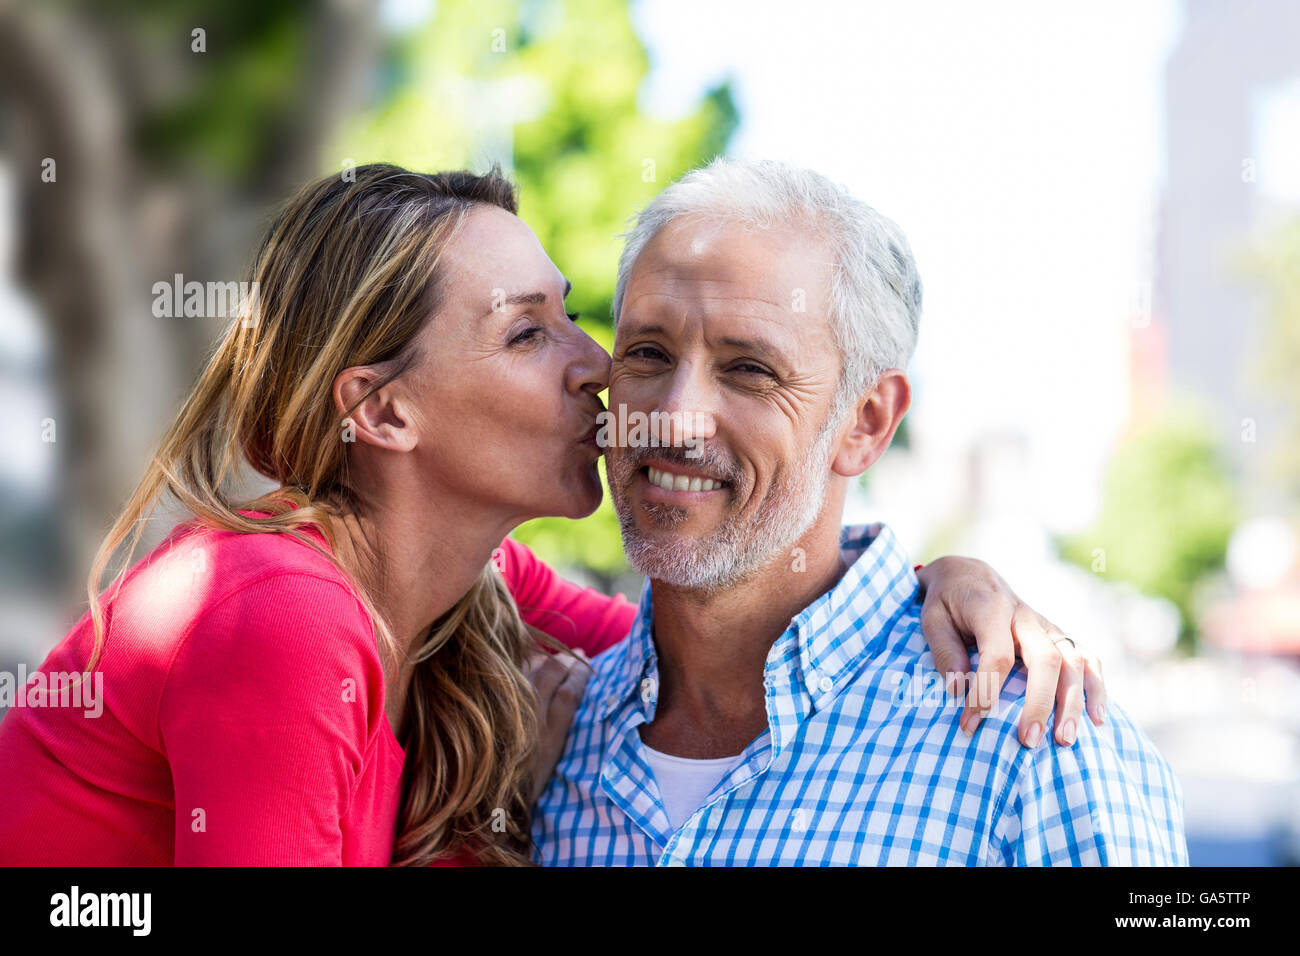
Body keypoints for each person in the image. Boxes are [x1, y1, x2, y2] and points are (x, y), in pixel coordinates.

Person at [0, 164, 1101, 867]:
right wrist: (504, 800)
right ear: (383, 412)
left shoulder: (473, 580)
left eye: (573, 316)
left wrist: (947, 583)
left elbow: (722, 636)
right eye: (527, 334)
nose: (600, 368)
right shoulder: (281, 618)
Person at [533, 158, 1187, 866]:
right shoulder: (547, 739)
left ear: (867, 422)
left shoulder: (1034, 748)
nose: (675, 415)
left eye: (749, 369)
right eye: (647, 352)